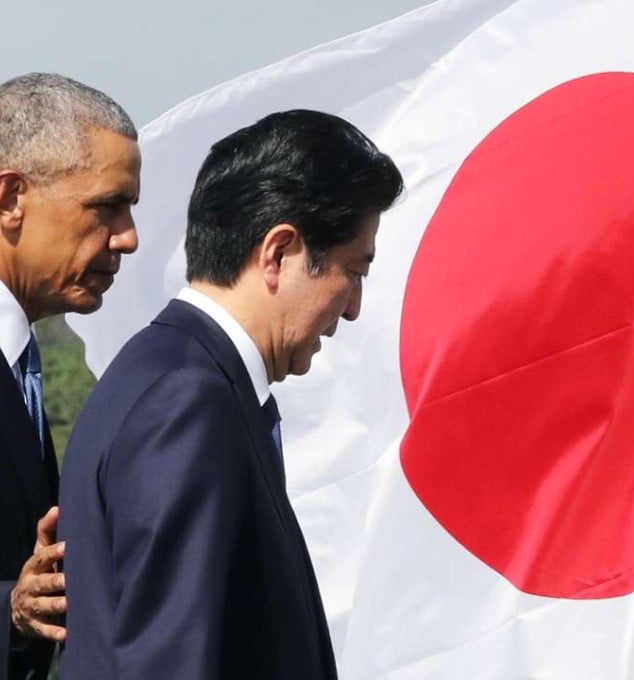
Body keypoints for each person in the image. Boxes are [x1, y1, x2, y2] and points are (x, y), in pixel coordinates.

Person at [59, 109, 403, 679]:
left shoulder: (161, 375)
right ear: (279, 253)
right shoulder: (188, 402)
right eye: (353, 270)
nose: (353, 307)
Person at [0, 72, 139, 680]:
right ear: (10, 199)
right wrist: (9, 605)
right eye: (106, 208)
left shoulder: (22, 361)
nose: (127, 239)